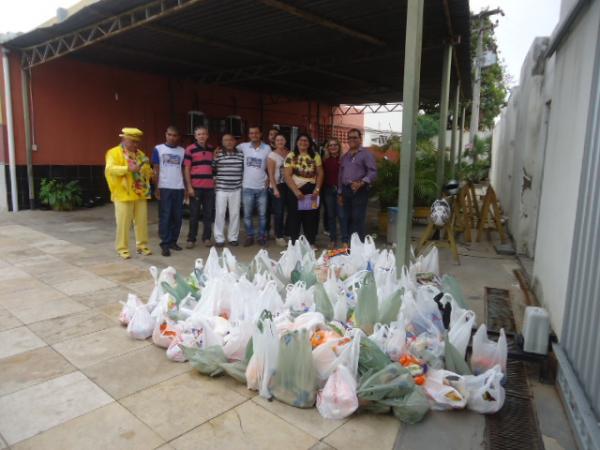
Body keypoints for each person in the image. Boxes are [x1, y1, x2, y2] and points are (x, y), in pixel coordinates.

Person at [105, 127, 154, 259]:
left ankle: (142, 246)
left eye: (137, 142)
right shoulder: (114, 153)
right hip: (123, 194)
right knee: (123, 223)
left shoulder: (141, 155)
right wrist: (127, 168)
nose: (135, 144)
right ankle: (122, 248)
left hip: (140, 193)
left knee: (142, 222)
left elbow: (147, 171)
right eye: (132, 141)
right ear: (124, 139)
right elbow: (110, 169)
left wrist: (148, 172)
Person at [284, 133, 323, 246]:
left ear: (309, 143)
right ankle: (294, 244)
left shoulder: (315, 156)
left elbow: (320, 173)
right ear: (297, 142)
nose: (303, 142)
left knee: (311, 217)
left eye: (306, 140)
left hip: (311, 191)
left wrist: (317, 190)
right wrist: (296, 191)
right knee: (294, 217)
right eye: (301, 140)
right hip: (295, 190)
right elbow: (287, 175)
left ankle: (310, 242)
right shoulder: (291, 156)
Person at [338, 128, 377, 244]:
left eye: (354, 137)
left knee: (358, 218)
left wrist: (362, 182)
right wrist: (340, 192)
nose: (351, 140)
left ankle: (358, 245)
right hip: (346, 190)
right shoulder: (345, 156)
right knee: (345, 217)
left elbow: (373, 172)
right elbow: (341, 175)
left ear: (360, 139)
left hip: (360, 190)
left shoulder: (366, 154)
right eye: (349, 138)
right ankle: (347, 244)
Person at [152, 126, 185, 257]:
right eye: (169, 134)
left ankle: (173, 241)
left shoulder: (182, 151)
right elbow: (155, 169)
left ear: (178, 137)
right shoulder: (158, 149)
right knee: (165, 216)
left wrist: (186, 188)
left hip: (179, 188)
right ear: (166, 134)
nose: (172, 137)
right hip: (164, 187)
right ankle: (164, 244)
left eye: (175, 135)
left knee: (177, 217)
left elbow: (184, 170)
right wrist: (156, 187)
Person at [237, 125, 271, 246]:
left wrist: (270, 179)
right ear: (249, 135)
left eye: (256, 133)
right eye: (251, 133)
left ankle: (261, 236)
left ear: (261, 134)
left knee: (262, 215)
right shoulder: (243, 146)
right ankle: (250, 236)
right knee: (247, 214)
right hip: (247, 187)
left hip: (262, 187)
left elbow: (270, 165)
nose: (254, 135)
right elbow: (229, 148)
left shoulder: (267, 148)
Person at [184, 126, 214, 248]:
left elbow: (214, 167)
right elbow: (186, 169)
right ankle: (191, 239)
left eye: (204, 134)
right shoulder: (190, 149)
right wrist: (189, 187)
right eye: (199, 134)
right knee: (194, 214)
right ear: (195, 136)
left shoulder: (212, 149)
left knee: (208, 214)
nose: (201, 136)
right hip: (196, 187)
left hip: (209, 188)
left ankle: (207, 238)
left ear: (207, 136)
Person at [212, 134, 244, 247]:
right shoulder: (218, 154)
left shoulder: (240, 154)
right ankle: (219, 238)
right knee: (220, 213)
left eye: (231, 140)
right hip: (221, 189)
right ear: (222, 142)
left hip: (236, 189)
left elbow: (243, 170)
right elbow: (212, 169)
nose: (229, 142)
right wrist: (214, 158)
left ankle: (233, 238)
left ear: (235, 141)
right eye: (226, 140)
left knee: (235, 214)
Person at [322, 138, 345, 248]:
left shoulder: (344, 159)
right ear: (328, 148)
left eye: (335, 145)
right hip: (328, 191)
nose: (333, 147)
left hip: (341, 191)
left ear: (339, 146)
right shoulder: (325, 160)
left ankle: (345, 240)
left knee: (341, 216)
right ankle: (333, 239)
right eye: (330, 145)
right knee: (331, 216)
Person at [267, 133, 289, 247]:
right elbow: (270, 174)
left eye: (282, 139)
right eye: (278, 140)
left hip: (288, 185)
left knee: (288, 211)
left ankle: (286, 232)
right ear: (275, 142)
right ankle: (279, 236)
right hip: (277, 185)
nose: (280, 142)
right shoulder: (272, 155)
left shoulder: (289, 153)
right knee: (279, 212)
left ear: (285, 141)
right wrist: (275, 189)